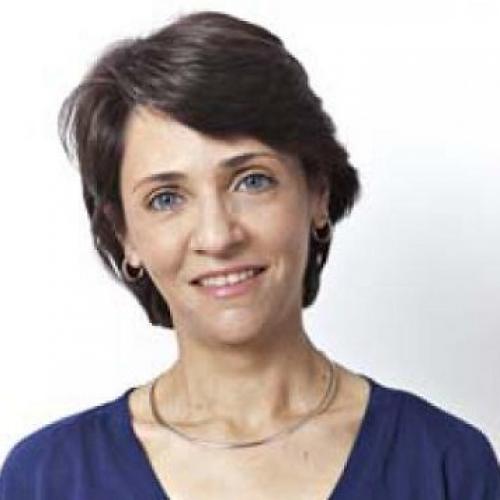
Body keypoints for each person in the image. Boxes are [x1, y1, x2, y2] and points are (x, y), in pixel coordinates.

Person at [1, 10, 498, 500]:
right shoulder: (47, 479)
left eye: (252, 181)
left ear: (317, 193)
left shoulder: (446, 465)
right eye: (166, 198)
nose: (217, 236)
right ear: (124, 234)